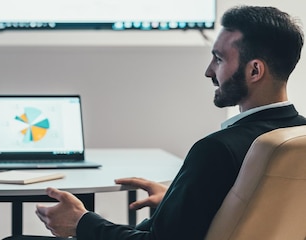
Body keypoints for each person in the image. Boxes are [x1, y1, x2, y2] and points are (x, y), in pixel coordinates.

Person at [35, 5, 306, 240]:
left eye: (219, 59)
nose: (209, 71)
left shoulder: (217, 150)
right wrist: (176, 201)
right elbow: (254, 213)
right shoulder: (298, 136)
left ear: (255, 70)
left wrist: (81, 222)